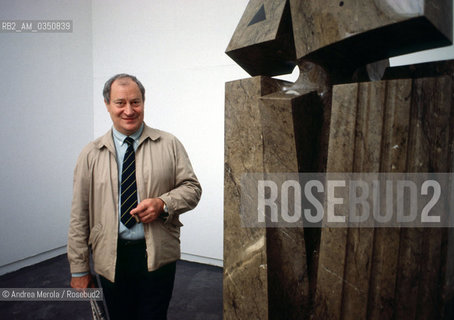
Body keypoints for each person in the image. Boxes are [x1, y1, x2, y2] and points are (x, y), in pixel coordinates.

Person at [67, 73, 202, 320]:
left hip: (157, 254)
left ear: (143, 102)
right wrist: (79, 269)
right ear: (107, 104)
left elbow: (192, 188)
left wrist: (163, 204)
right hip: (110, 258)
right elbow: (79, 214)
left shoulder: (169, 144)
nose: (129, 110)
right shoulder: (90, 154)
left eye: (135, 102)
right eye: (120, 103)